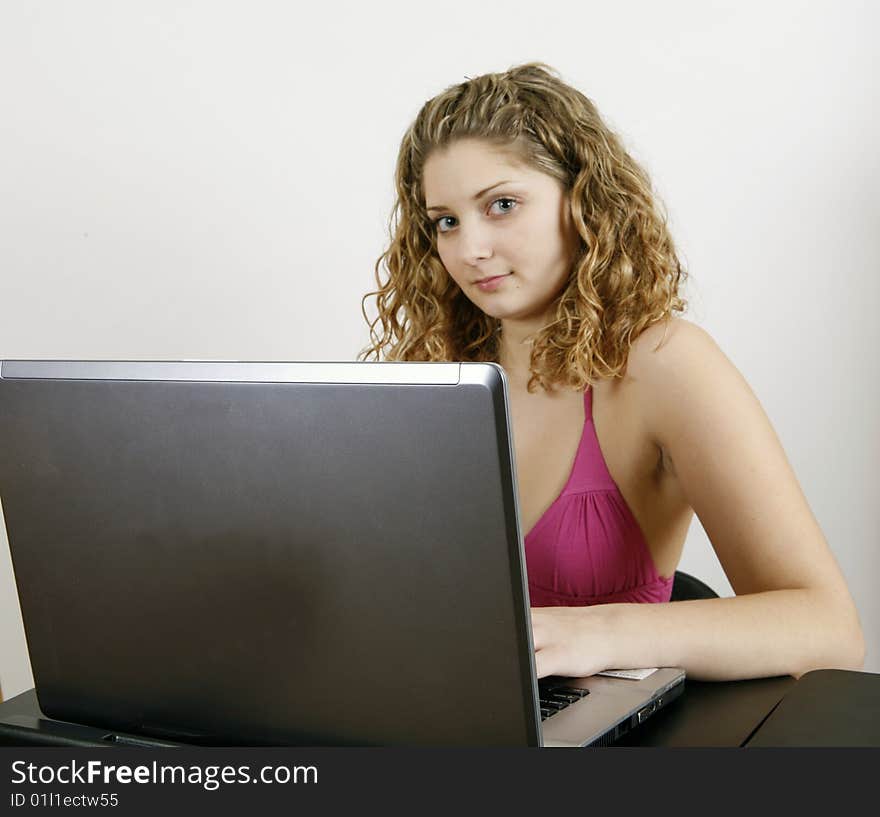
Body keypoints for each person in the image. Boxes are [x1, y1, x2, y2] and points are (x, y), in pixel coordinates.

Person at [357, 62, 865, 682]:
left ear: (583, 202)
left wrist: (598, 632)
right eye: (447, 221)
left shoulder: (664, 365)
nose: (469, 250)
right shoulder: (437, 370)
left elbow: (830, 629)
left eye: (503, 205)